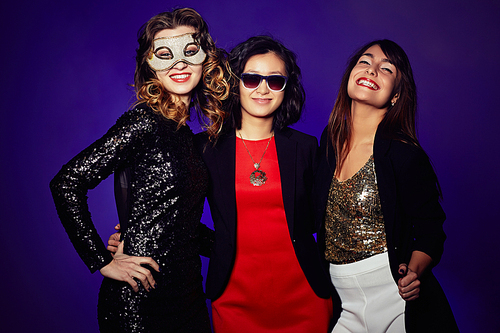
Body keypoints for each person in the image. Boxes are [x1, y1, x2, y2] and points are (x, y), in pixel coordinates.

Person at [50, 8, 230, 332]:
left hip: (189, 295)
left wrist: (245, 247)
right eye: (164, 54)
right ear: (150, 64)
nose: (179, 63)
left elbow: (182, 228)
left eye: (190, 52)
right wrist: (102, 261)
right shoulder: (144, 122)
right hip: (139, 301)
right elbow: (67, 182)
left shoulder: (190, 138)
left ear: (206, 59)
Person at [313, 39, 459, 332]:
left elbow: (431, 229)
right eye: (364, 62)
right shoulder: (329, 139)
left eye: (386, 68)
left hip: (393, 296)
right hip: (338, 297)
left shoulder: (404, 153)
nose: (372, 70)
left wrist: (413, 272)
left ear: (396, 95)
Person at [195, 35, 333, 332]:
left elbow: (327, 221)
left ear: (287, 88)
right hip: (234, 298)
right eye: (251, 78)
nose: (262, 89)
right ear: (234, 83)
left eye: (274, 81)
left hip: (304, 296)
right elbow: (178, 218)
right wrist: (136, 236)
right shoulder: (204, 149)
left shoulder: (306, 147)